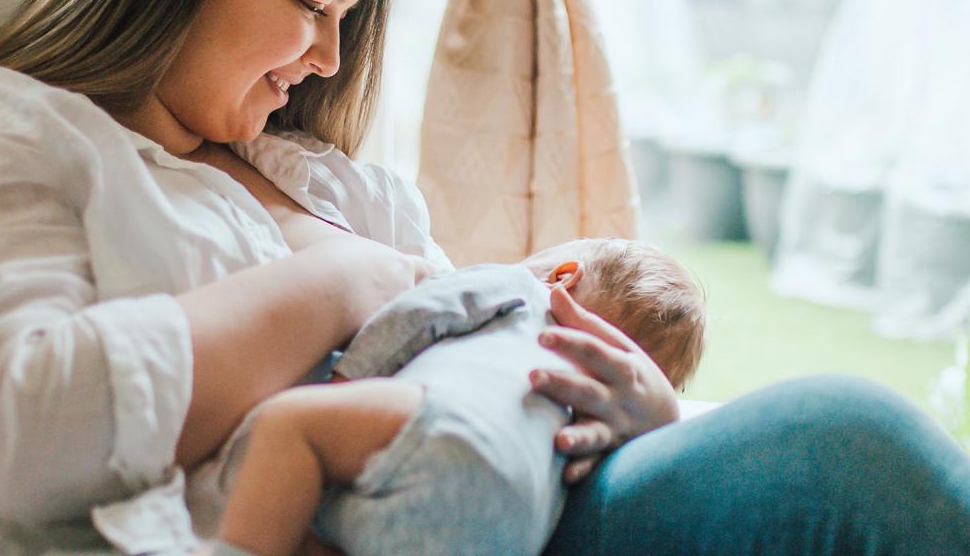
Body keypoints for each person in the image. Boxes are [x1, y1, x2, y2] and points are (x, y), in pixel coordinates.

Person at [0, 0, 970, 554]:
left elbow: (476, 386)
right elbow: (10, 431)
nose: (326, 56)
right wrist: (347, 287)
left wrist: (633, 420)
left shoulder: (334, 185)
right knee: (842, 443)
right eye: (309, 0)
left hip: (499, 521)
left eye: (348, 20)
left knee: (827, 456)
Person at [211, 238, 707, 556]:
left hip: (455, 428)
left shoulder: (523, 290)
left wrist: (352, 381)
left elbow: (420, 312)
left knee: (290, 424)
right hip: (513, 528)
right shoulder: (601, 417)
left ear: (563, 274)